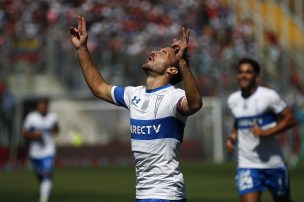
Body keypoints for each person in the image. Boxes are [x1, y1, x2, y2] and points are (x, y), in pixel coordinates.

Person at [70, 16, 202, 202]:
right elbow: (99, 88)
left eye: (163, 53)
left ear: (172, 70)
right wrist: (82, 48)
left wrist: (182, 63)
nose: (154, 52)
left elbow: (195, 104)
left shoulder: (175, 97)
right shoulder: (134, 94)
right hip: (142, 193)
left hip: (166, 193)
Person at [226, 58, 297, 202]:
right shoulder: (233, 99)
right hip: (247, 165)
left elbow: (290, 119)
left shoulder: (268, 96)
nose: (243, 75)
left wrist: (266, 132)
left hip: (274, 164)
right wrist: (232, 137)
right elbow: (238, 122)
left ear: (256, 76)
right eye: (240, 72)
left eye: (248, 72)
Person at [22, 98, 59, 202]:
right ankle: (45, 189)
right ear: (38, 107)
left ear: (47, 107)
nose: (42, 108)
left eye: (44, 106)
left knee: (47, 174)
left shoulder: (53, 117)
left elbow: (56, 129)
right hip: (35, 152)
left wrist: (54, 132)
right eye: (40, 106)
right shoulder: (31, 118)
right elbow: (24, 133)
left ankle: (44, 198)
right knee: (41, 177)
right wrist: (34, 135)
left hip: (48, 151)